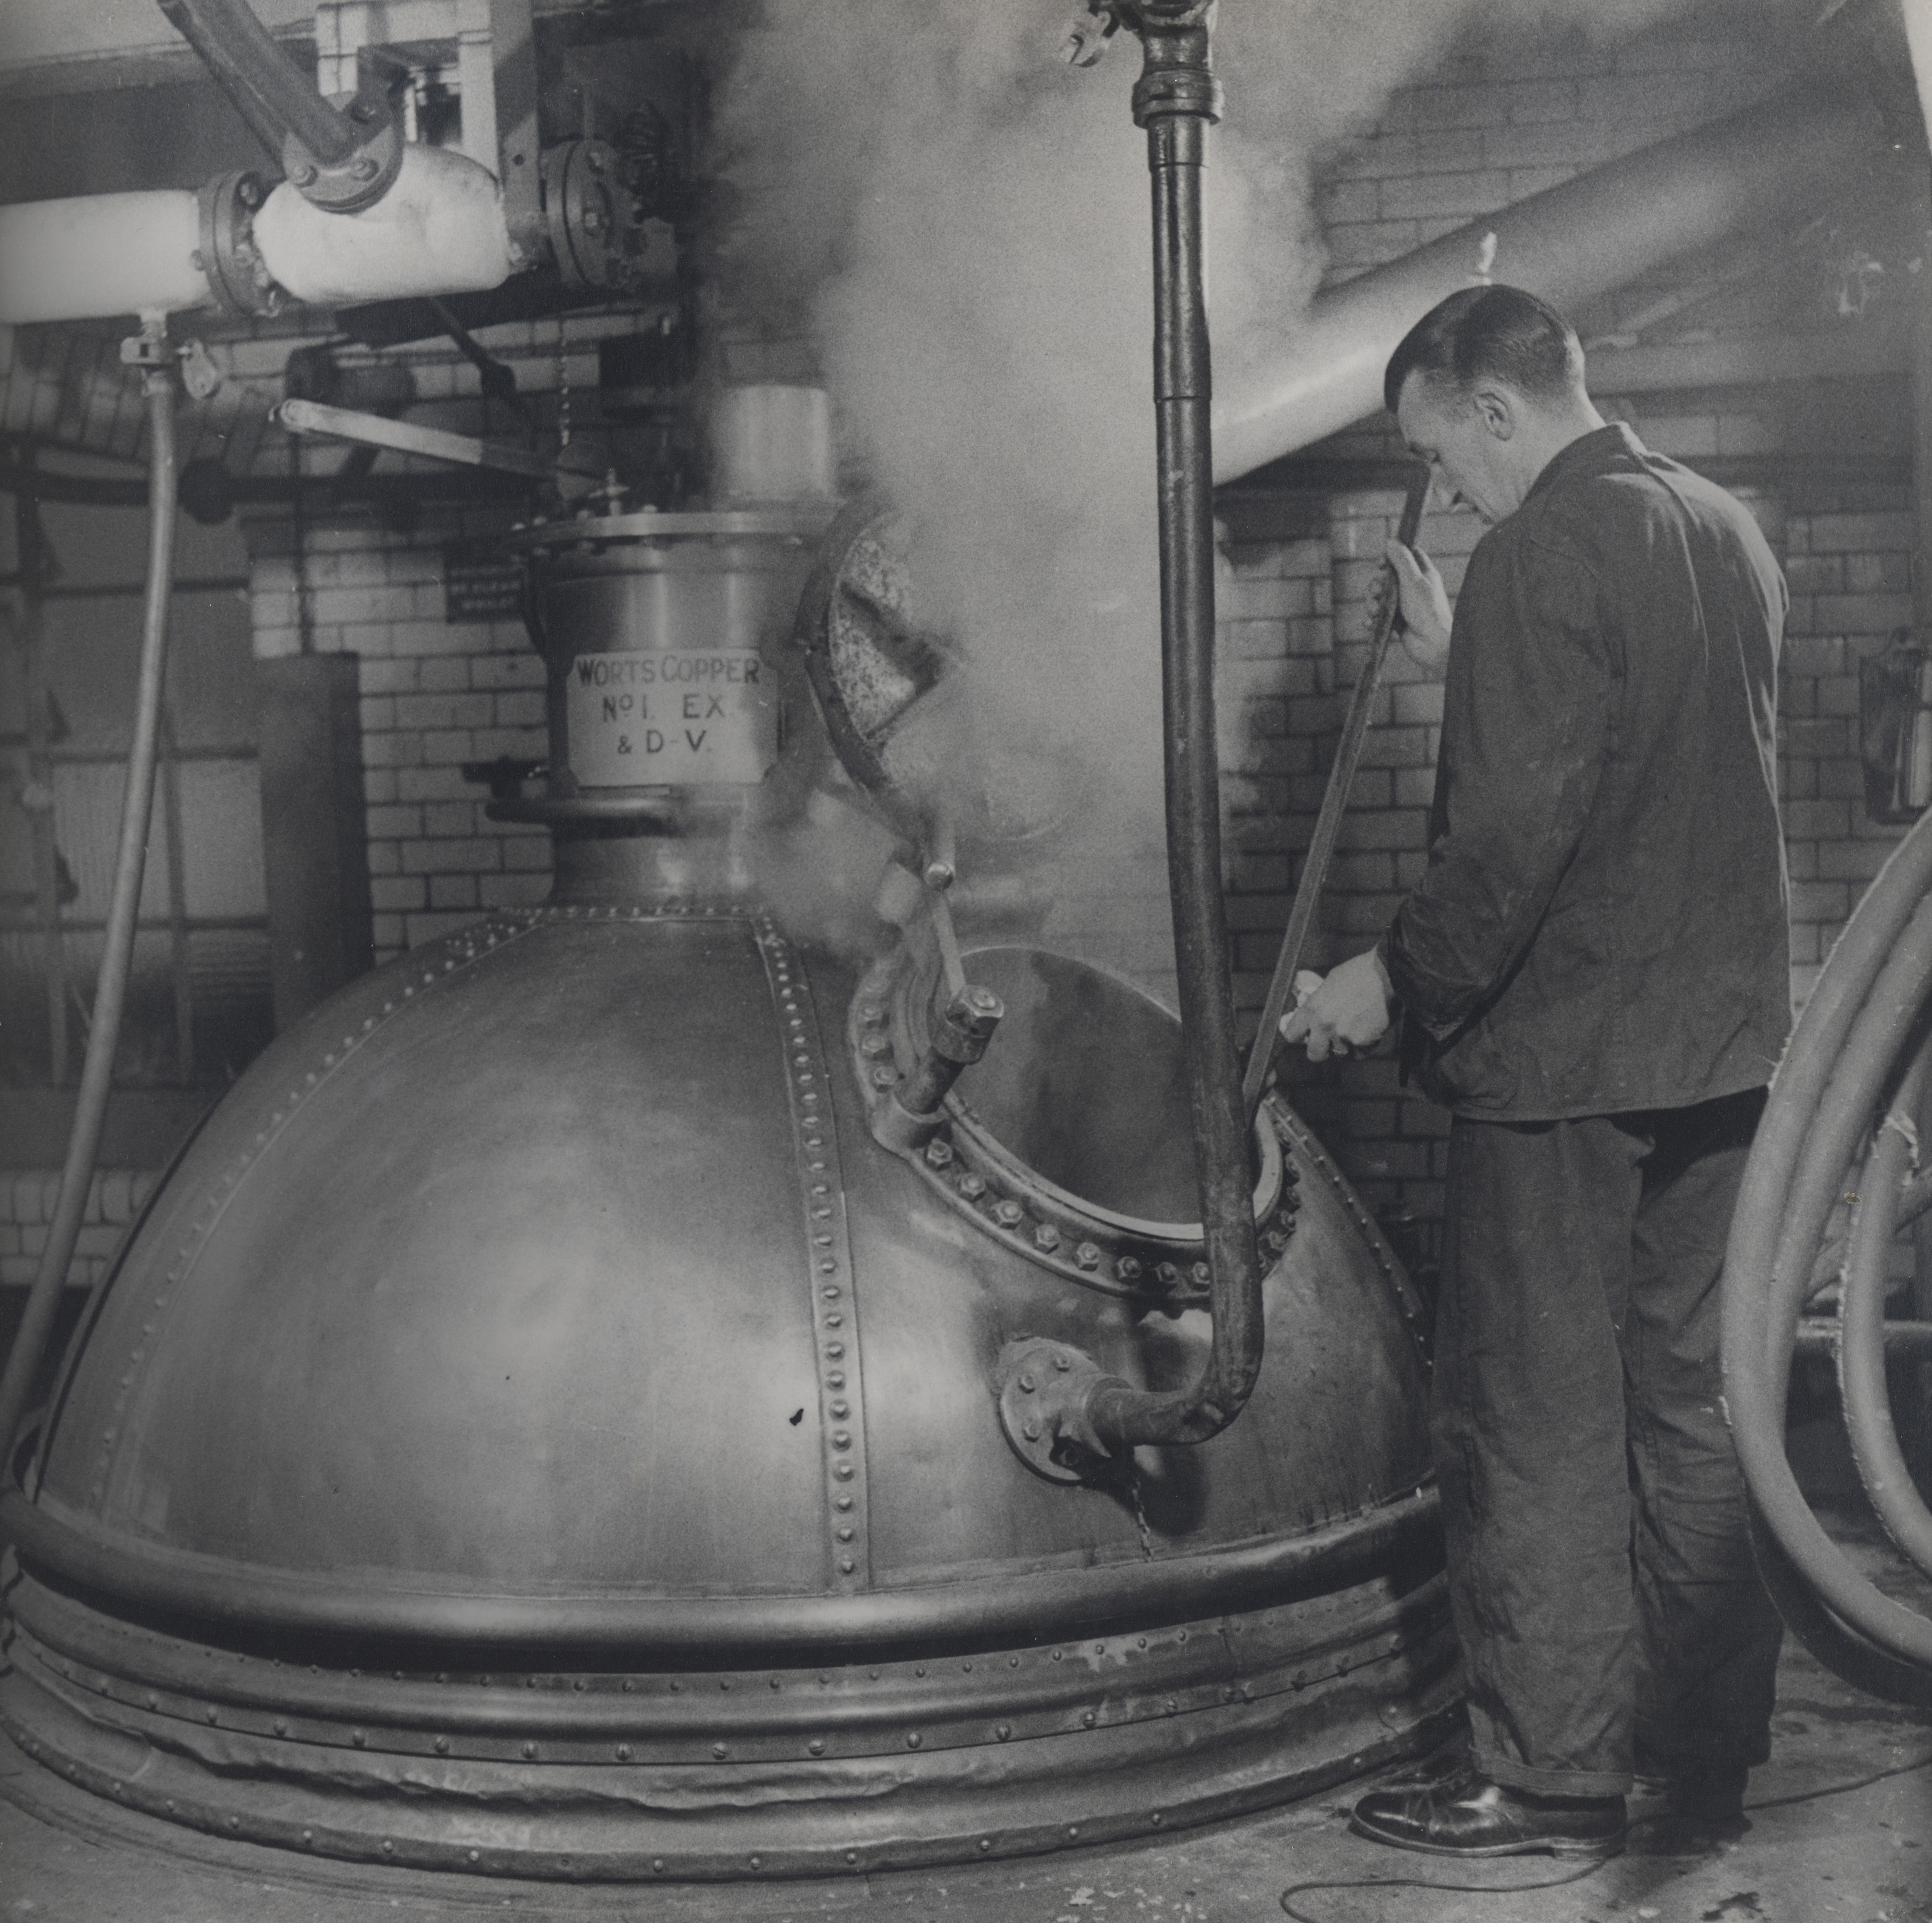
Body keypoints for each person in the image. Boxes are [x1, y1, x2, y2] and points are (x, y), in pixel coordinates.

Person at [1281, 284, 1790, 1861]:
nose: (1452, 496)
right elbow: (1637, 754)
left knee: (1536, 1419)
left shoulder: (1539, 552)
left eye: (1445, 457)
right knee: (1691, 1408)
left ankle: (1549, 1769)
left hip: (1563, 1061)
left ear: (1497, 411)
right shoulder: (1721, 525)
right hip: (1718, 1054)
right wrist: (1469, 656)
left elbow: (1513, 842)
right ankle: (1702, 1753)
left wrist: (1389, 984)